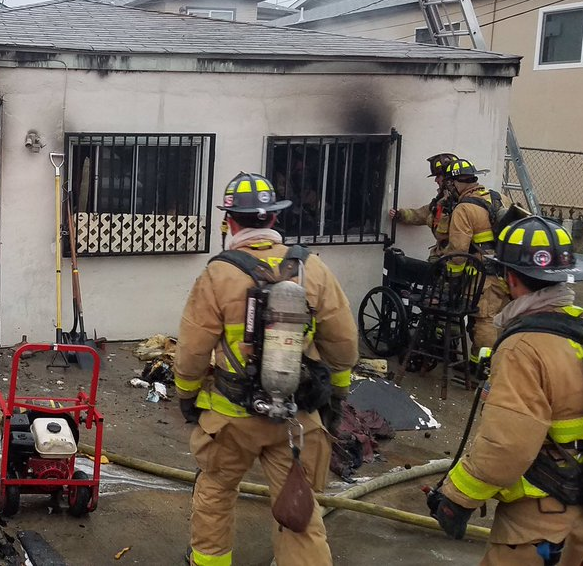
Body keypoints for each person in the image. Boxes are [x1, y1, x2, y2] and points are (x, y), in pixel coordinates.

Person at [175, 172, 359, 566]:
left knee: (216, 493)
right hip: (297, 417)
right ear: (273, 220)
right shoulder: (313, 268)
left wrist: (187, 398)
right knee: (299, 510)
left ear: (231, 222)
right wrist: (336, 397)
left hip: (230, 418)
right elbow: (343, 345)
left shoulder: (218, 274)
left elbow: (192, 351)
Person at [429, 215, 583, 565]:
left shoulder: (523, 347)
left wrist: (457, 498)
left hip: (540, 527)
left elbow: (507, 447)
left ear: (510, 279)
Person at [441, 158, 510, 365]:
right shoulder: (501, 198)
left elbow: (458, 251)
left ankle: (485, 367)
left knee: (484, 320)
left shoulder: (464, 209)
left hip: (483, 276)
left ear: (455, 183)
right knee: (503, 318)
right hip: (508, 272)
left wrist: (451, 278)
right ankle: (477, 361)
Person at [389, 152, 458, 258]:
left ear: (448, 177)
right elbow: (422, 214)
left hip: (457, 259)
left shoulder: (463, 202)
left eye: (438, 176)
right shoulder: (443, 199)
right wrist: (400, 214)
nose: (436, 180)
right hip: (444, 256)